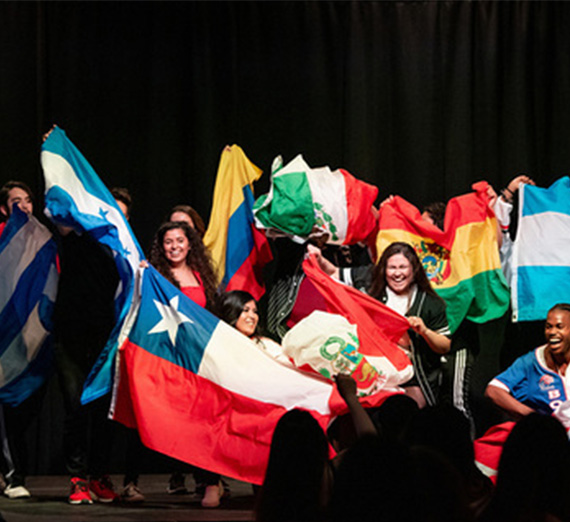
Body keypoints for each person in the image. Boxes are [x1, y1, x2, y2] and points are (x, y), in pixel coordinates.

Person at [309, 241, 451, 407]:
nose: (397, 274)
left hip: (412, 375)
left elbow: (445, 346)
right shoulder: (370, 279)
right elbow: (333, 272)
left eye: (403, 267)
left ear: (414, 269)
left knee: (410, 409)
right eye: (392, 268)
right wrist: (317, 257)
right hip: (372, 368)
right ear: (384, 269)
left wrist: (425, 331)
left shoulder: (430, 303)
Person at [149, 220, 220, 506]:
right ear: (161, 247)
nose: (175, 246)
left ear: (190, 243)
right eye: (168, 242)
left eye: (180, 240)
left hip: (200, 360)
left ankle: (211, 483)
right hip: (169, 359)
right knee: (181, 424)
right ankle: (134, 482)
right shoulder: (156, 276)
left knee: (207, 422)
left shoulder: (202, 275)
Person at [0, 181, 40, 499]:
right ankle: (14, 477)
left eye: (28, 201)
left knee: (23, 407)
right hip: (4, 336)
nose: (24, 206)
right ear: (4, 208)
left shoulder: (43, 239)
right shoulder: (2, 235)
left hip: (33, 339)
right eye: (17, 201)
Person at [485, 303, 570, 420]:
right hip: (548, 433)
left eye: (559, 327)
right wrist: (533, 418)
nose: (552, 332)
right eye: (549, 327)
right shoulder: (531, 362)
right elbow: (493, 391)